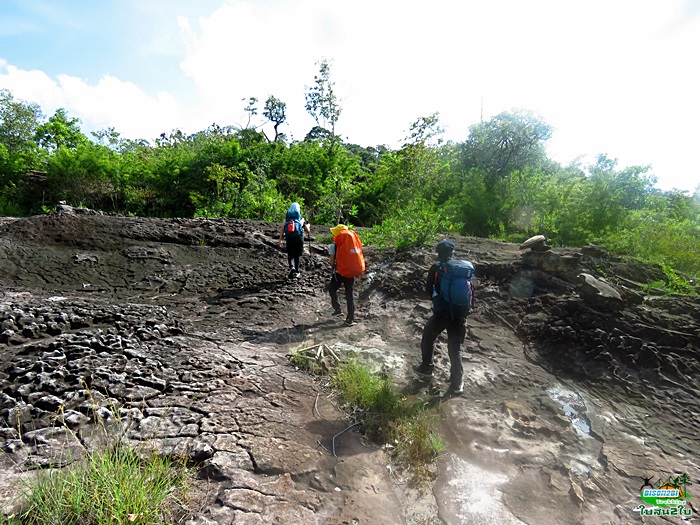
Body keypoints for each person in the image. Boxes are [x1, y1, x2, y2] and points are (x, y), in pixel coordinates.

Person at [413, 239, 470, 394]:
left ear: (439, 254)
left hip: (443, 312)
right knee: (454, 348)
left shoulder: (437, 268)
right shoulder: (463, 269)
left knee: (428, 336)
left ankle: (426, 368)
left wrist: (437, 300)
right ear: (453, 253)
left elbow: (428, 289)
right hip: (460, 313)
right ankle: (457, 384)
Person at [328, 224, 365, 327]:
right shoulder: (353, 244)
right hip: (351, 272)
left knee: (331, 288)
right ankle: (350, 319)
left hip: (340, 272)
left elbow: (332, 262)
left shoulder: (333, 245)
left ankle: (338, 308)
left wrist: (334, 266)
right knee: (349, 295)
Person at [279, 202, 311, 279]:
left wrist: (280, 239)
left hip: (289, 238)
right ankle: (296, 271)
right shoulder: (300, 218)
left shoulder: (287, 219)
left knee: (290, 254)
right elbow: (308, 231)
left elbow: (283, 229)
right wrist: (308, 226)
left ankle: (292, 267)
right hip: (299, 238)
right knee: (297, 255)